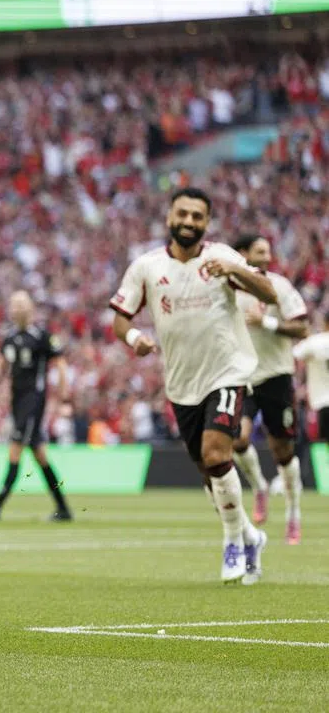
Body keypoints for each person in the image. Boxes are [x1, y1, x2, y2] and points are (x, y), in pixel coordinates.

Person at [110, 187, 276, 584]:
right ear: (169, 217)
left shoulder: (223, 258)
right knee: (210, 473)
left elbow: (269, 292)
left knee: (216, 450)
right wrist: (137, 341)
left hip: (228, 373)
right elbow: (121, 319)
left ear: (207, 223)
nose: (188, 222)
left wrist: (235, 271)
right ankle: (251, 537)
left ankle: (234, 541)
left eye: (197, 217)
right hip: (182, 383)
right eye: (182, 214)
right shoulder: (146, 267)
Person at [231, 234, 309, 542]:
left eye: (268, 251)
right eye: (260, 252)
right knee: (237, 439)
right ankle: (260, 487)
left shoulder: (280, 286)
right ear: (243, 254)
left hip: (277, 376)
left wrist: (267, 324)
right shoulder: (231, 290)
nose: (267, 257)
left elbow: (302, 327)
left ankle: (293, 512)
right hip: (244, 376)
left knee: (283, 452)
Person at [0, 291, 72, 522]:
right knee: (40, 456)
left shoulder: (42, 336)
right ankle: (63, 508)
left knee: (15, 447)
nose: (16, 309)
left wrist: (64, 397)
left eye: (21, 304)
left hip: (34, 401)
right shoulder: (10, 337)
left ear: (31, 309)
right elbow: (0, 366)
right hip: (17, 401)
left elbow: (61, 365)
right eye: (13, 305)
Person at [293, 321, 329, 449]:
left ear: (325, 324)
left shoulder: (314, 342)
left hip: (322, 402)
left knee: (322, 444)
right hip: (321, 402)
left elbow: (295, 354)